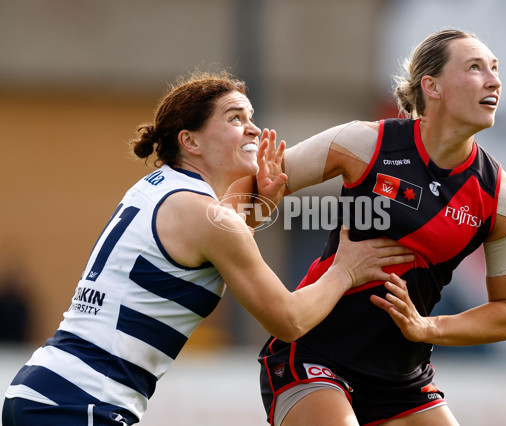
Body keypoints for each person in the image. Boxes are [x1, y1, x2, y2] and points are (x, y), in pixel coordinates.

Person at [1, 71, 414, 426]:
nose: (253, 129)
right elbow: (288, 320)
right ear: (191, 142)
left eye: (252, 117)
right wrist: (345, 270)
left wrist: (263, 204)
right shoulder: (206, 216)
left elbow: (204, 249)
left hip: (47, 388)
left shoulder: (161, 189)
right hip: (82, 401)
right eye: (236, 118)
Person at [256, 29, 506, 425]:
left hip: (402, 379)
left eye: (495, 69)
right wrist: (256, 198)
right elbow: (255, 196)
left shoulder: (502, 198)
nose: (494, 80)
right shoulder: (364, 144)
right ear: (431, 86)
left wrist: (428, 327)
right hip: (316, 355)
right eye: (475, 68)